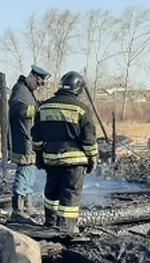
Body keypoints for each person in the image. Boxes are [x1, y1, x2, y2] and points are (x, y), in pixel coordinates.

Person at [32, 71, 98, 233]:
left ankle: (50, 222)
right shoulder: (81, 109)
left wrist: (39, 156)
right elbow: (89, 139)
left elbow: (36, 137)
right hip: (75, 161)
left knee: (52, 190)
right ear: (78, 89)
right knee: (70, 192)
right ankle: (66, 227)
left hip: (51, 159)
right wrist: (93, 158)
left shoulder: (44, 107)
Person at [8, 64, 50, 220]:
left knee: (30, 172)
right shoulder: (20, 90)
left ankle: (27, 205)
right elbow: (18, 111)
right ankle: (17, 210)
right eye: (38, 83)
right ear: (31, 76)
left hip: (29, 138)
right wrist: (39, 109)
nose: (38, 87)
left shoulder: (27, 91)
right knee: (24, 172)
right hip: (23, 139)